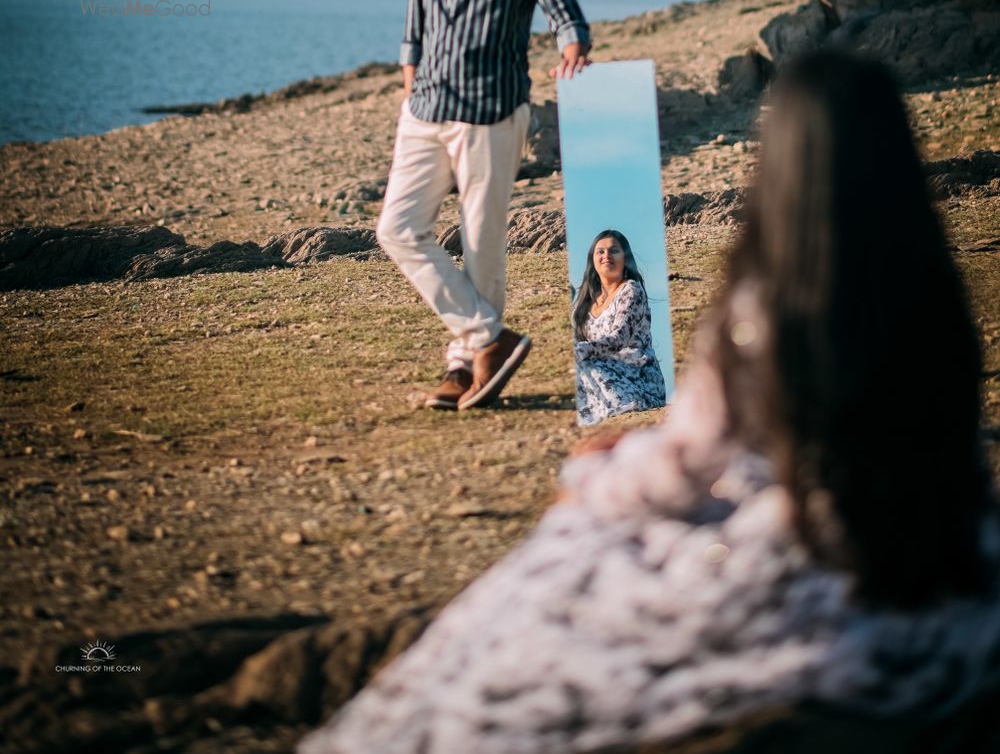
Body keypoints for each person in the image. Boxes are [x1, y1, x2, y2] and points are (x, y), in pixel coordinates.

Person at [300, 50, 1000, 754]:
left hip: (805, 549)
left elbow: (685, 462)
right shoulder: (937, 294)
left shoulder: (763, 310)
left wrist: (590, 483)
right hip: (931, 545)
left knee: (569, 558)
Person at [376, 0, 590, 412]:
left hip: (491, 111)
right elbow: (416, 12)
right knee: (397, 228)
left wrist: (572, 41)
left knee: (481, 246)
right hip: (425, 106)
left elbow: (558, 1)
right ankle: (488, 339)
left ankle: (464, 368)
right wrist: (410, 73)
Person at [571, 228, 667, 424]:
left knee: (585, 363)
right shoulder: (587, 301)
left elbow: (618, 339)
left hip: (638, 378)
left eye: (613, 250)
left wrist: (579, 350)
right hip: (601, 369)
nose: (606, 256)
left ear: (625, 258)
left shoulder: (630, 289)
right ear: (593, 259)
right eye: (601, 251)